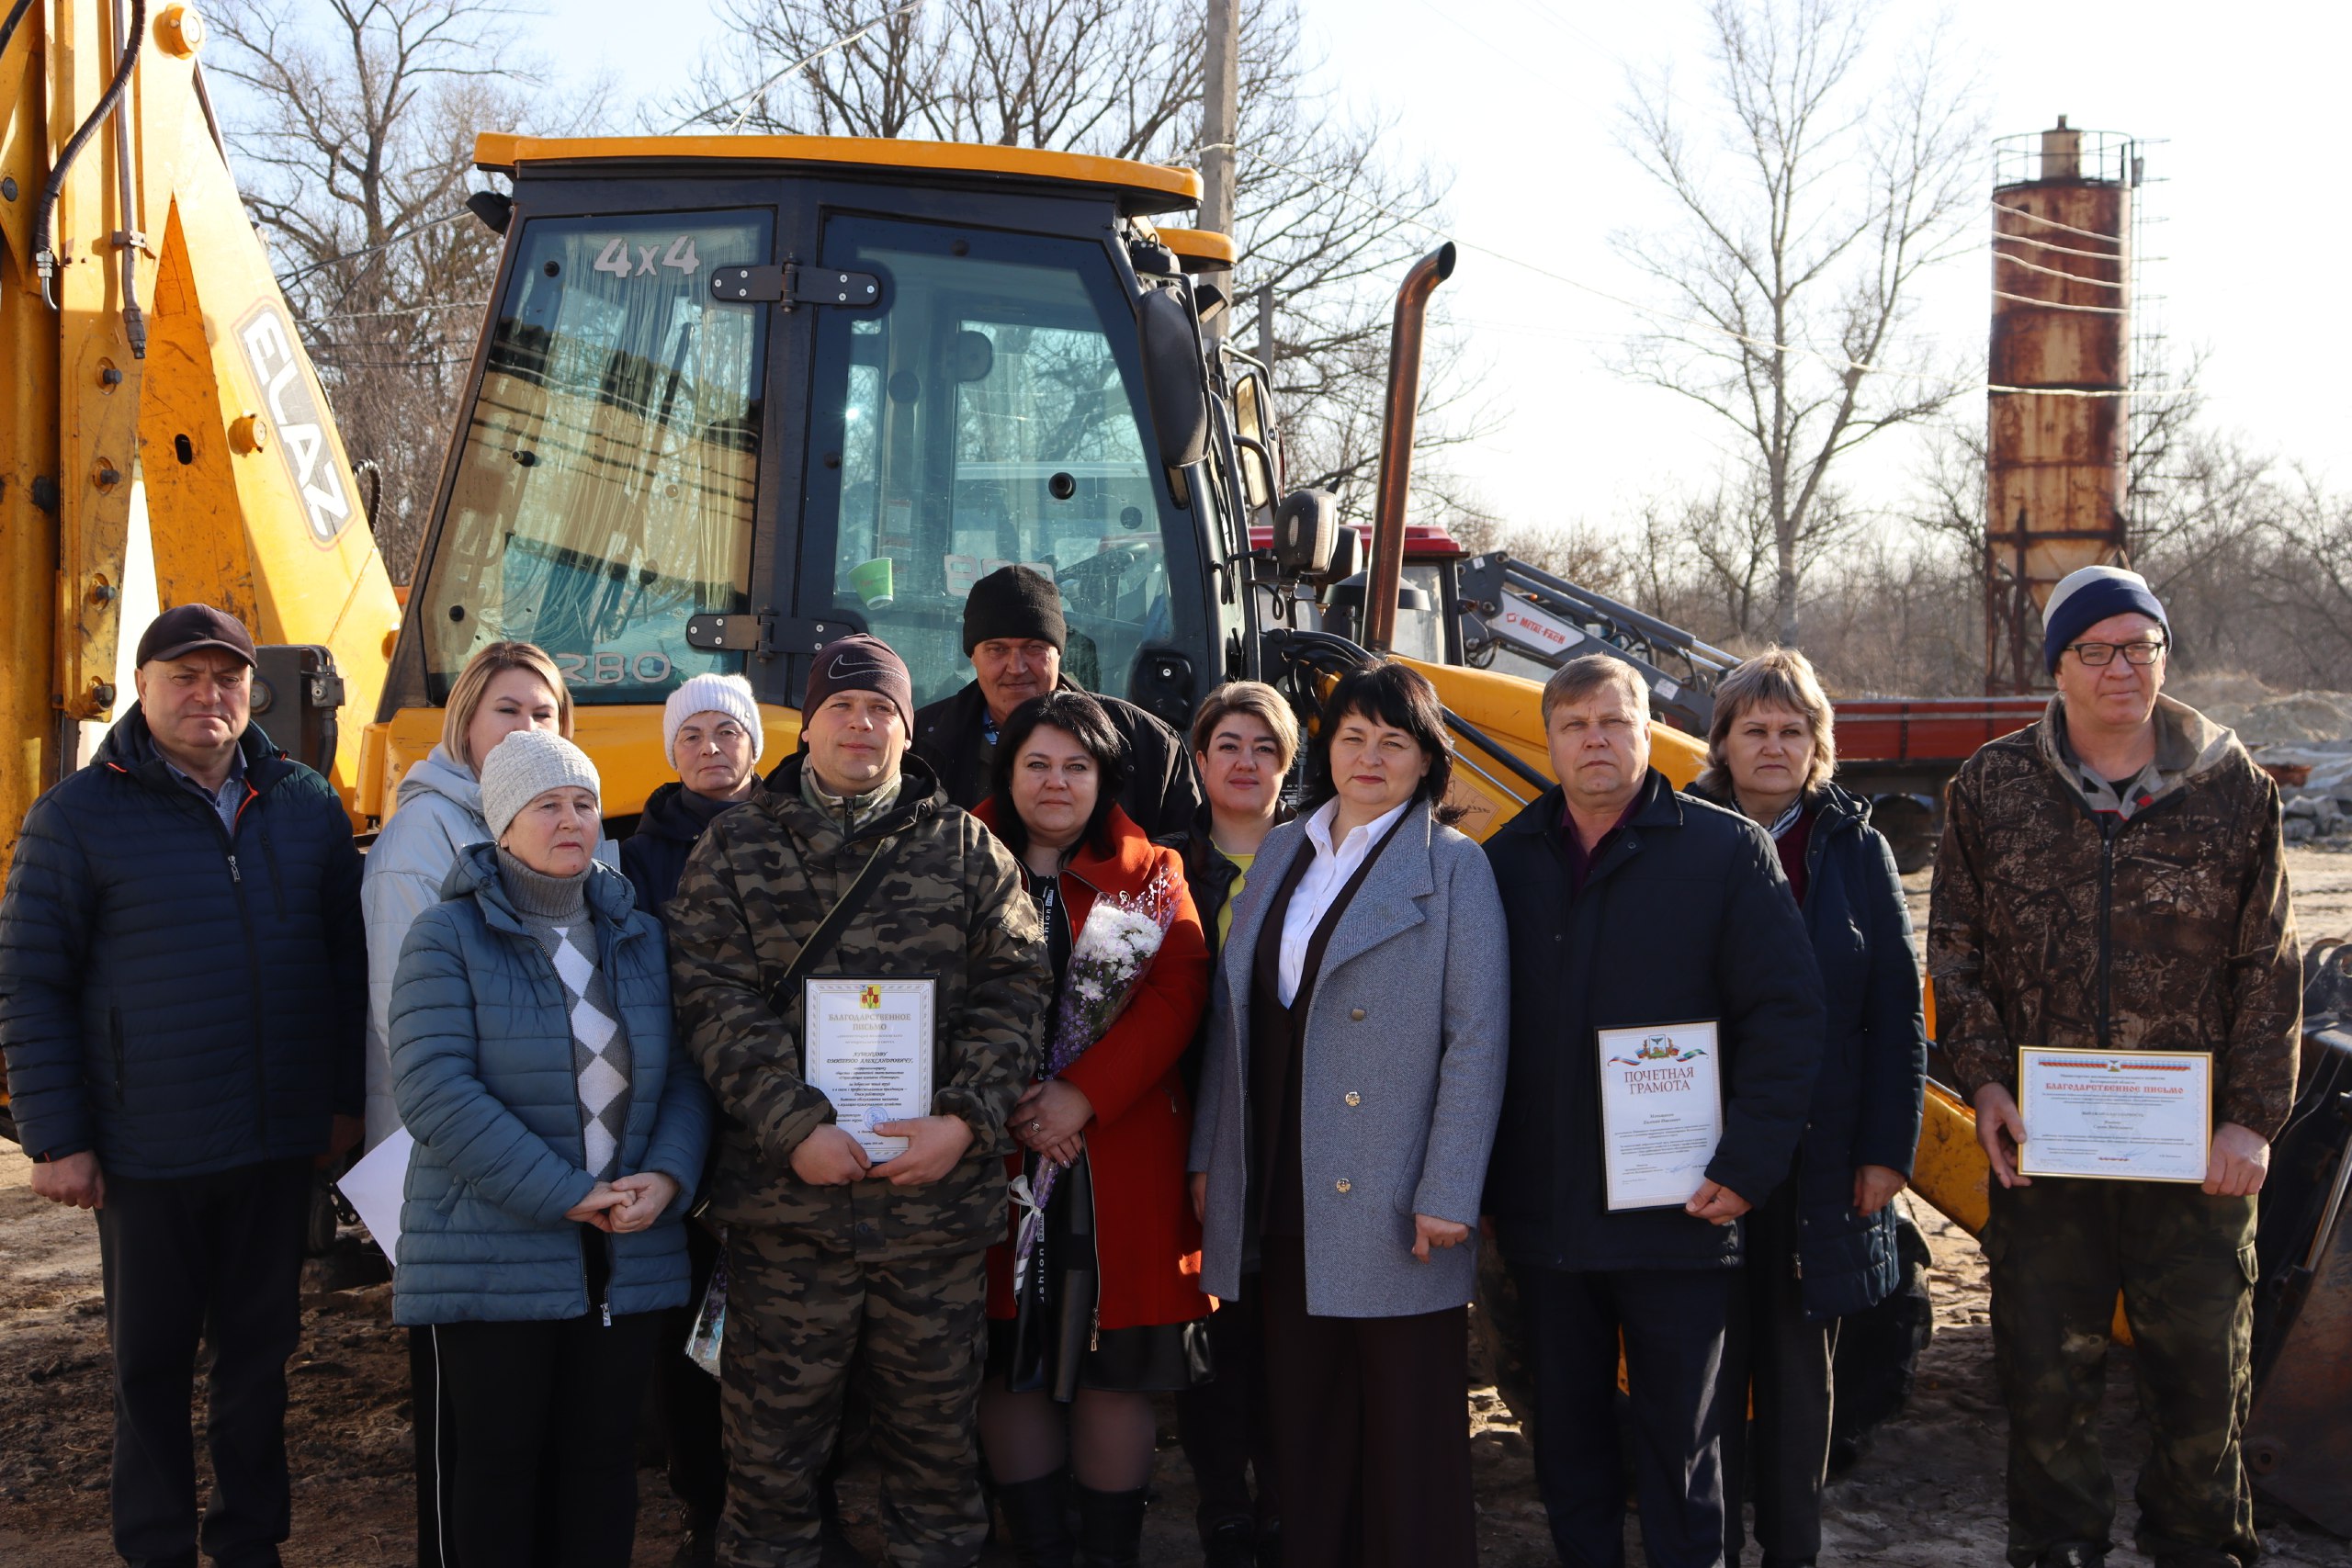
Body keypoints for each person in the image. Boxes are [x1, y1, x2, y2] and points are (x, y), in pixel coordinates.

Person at [1928, 565, 2300, 1568]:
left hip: (2196, 1150)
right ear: (2057, 667)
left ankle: (2200, 1550)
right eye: (2094, 650)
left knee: (2198, 1377)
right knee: (2047, 1375)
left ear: (2162, 656)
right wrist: (1986, 1082)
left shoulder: (2231, 789)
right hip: (2048, 1144)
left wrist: (2253, 1120)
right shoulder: (1991, 788)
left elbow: (2270, 963)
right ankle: (2057, 1551)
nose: (2119, 668)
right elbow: (1955, 952)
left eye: (2138, 646)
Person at [667, 634, 1052, 1568]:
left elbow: (1018, 989)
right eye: (843, 707)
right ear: (808, 727)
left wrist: (962, 1120)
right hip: (789, 1212)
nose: (862, 724)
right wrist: (795, 1128)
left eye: (881, 708)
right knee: (771, 1457)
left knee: (934, 1455)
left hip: (931, 1213)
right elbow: (710, 997)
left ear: (907, 726)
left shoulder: (967, 850)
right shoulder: (737, 845)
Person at [0, 604, 368, 1568]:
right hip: (145, 1146)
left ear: (253, 689)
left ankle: (251, 1542)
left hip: (276, 1142)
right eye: (185, 677)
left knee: (259, 1364)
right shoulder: (79, 815)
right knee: (150, 1368)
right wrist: (56, 1136)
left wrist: (339, 1103)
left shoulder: (303, 801)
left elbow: (343, 963)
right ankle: (156, 1546)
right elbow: (31, 978)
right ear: (144, 687)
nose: (209, 697)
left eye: (227, 678)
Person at [1482, 651, 1825, 1568]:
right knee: (1568, 1445)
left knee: (1684, 1452)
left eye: (1613, 721)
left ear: (1647, 732)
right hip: (1546, 1219)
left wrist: (1747, 1163)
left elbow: (1786, 1018)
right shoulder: (1504, 862)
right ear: (1550, 740)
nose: (1594, 740)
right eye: (1573, 724)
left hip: (1681, 1214)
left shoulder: (1722, 852)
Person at [1190, 660, 1510, 1568]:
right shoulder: (1285, 849)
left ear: (1425, 761)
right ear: (1326, 747)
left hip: (1395, 1192)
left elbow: (1477, 1040)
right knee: (1306, 1425)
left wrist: (1448, 1187)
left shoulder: (1454, 869)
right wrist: (1213, 1158)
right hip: (1280, 1181)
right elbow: (1236, 1017)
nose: (1370, 758)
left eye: (1394, 742)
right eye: (1353, 737)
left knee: (1407, 1432)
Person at [389, 728, 712, 1568]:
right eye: (546, 805)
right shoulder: (446, 937)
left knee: (601, 1465)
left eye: (582, 803)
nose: (570, 820)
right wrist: (565, 1191)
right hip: (494, 1254)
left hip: (627, 1249)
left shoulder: (639, 937)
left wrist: (668, 1176)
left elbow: (682, 1073)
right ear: (501, 824)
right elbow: (436, 1092)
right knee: (497, 1470)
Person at [1686, 649, 1927, 1568]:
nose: (1774, 745)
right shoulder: (1677, 836)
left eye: (1793, 730)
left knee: (1797, 1383)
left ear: (1819, 744)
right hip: (1701, 1155)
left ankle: (1791, 1550)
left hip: (1822, 1158)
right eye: (1755, 729)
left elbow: (1893, 1013)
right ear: (1722, 742)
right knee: (1699, 1375)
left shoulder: (1854, 850)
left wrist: (1885, 1151)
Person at [971, 690, 1213, 1568]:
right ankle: (1041, 1547)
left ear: (1105, 776)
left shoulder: (1153, 873)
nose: (1056, 781)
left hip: (1120, 1155)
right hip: (993, 1152)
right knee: (1008, 1351)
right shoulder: (952, 857)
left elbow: (1177, 993)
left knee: (1115, 1365)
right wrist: (1014, 1106)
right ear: (1008, 771)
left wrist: (1079, 1096)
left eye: (1077, 765)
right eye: (1036, 762)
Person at [359, 638, 571, 1568]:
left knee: (538, 1434)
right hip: (453, 1180)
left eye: (544, 714)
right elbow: (423, 1043)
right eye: (507, 712)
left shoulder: (557, 830)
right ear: (465, 724)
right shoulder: (423, 844)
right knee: (471, 1443)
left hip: (544, 1173)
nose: (527, 729)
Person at [621, 672, 768, 1568]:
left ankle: (791, 1494)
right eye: (693, 738)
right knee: (689, 1329)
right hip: (685, 1114)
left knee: (786, 1322)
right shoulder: (640, 857)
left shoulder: (793, 835)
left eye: (726, 733)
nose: (711, 750)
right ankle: (702, 1500)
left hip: (781, 1116)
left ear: (754, 743)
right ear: (672, 754)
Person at [1167, 682, 1299, 1568]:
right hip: (1184, 1121)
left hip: (1292, 1123)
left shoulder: (1321, 860)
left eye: (1264, 746)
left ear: (1287, 765)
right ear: (1201, 760)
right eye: (1227, 745)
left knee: (1287, 1321)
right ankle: (1223, 1503)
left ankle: (1288, 1494)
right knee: (1209, 1321)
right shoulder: (1164, 865)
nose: (1244, 761)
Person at [911, 564, 1203, 837]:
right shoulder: (916, 745)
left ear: (1059, 653)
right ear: (972, 656)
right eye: (997, 649)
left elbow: (1187, 860)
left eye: (1034, 647)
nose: (1016, 667)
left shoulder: (1146, 745)